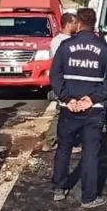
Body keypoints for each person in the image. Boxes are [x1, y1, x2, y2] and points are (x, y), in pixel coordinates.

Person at [49, 8, 107, 208]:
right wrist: (92, 98)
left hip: (68, 107)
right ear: (95, 23)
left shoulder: (65, 46)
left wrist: (67, 98)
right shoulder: (104, 48)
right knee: (90, 153)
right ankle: (88, 197)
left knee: (64, 148)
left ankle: (59, 188)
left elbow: (55, 75)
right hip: (94, 109)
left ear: (78, 23)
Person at [43, 12, 80, 152]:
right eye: (75, 22)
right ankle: (59, 142)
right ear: (69, 24)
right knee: (66, 112)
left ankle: (52, 141)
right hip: (66, 81)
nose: (77, 25)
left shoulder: (60, 40)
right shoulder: (62, 42)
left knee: (63, 111)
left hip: (64, 81)